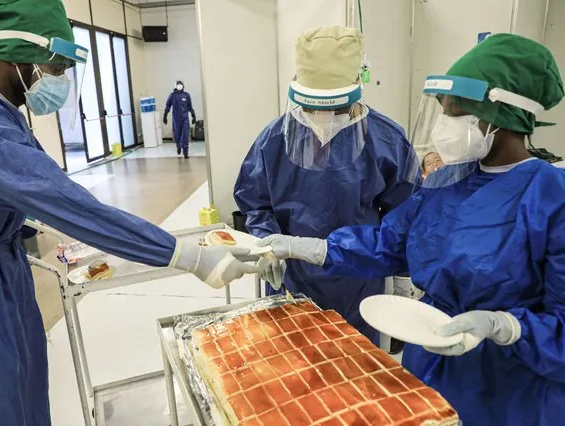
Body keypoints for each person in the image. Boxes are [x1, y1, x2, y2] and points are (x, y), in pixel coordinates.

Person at [0, 1, 256, 425]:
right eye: (56, 68)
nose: (60, 81)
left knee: (21, 382)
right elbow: (68, 203)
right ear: (16, 57)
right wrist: (190, 257)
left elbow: (23, 188)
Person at [259, 34, 565, 425]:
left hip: (510, 390)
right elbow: (389, 243)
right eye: (442, 110)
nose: (444, 125)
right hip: (430, 367)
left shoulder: (552, 198)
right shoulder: (447, 183)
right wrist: (313, 248)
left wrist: (505, 327)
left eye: (455, 113)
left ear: (501, 116)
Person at [234, 26, 417, 349]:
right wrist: (264, 245)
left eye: (335, 109)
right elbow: (256, 202)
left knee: (356, 374)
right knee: (294, 373)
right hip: (291, 279)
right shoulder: (275, 139)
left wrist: (403, 278)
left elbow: (403, 217)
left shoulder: (386, 141)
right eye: (313, 108)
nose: (323, 118)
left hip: (358, 283)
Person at [163, 80, 196, 159]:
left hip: (185, 119)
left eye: (180, 84)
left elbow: (190, 106)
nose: (179, 86)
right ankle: (178, 146)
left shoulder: (186, 95)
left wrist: (193, 115)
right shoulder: (172, 95)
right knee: (177, 136)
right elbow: (168, 106)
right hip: (176, 119)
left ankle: (185, 152)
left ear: (183, 86)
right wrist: (165, 116)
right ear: (175, 86)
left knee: (185, 135)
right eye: (178, 84)